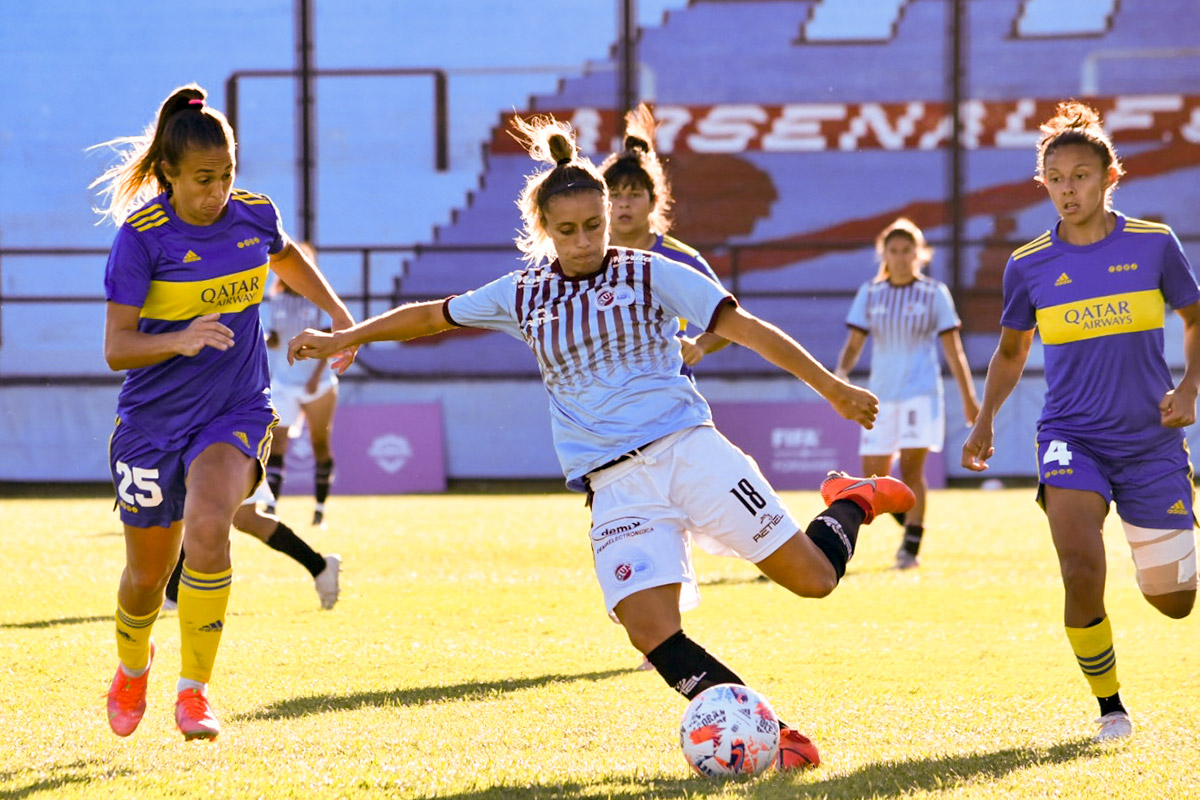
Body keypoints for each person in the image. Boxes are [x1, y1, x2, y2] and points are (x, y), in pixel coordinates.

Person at [288, 114, 914, 769]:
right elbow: (430, 316)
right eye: (567, 230)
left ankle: (852, 499)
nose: (584, 241)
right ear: (543, 231)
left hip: (690, 451)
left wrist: (831, 388)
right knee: (650, 631)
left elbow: (746, 327)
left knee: (814, 582)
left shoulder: (649, 273)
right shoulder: (524, 291)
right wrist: (345, 337)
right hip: (613, 485)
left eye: (595, 226)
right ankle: (772, 735)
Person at [92, 83, 355, 741]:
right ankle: (132, 669)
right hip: (151, 424)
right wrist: (178, 339)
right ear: (168, 176)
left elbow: (287, 256)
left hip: (234, 410)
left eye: (227, 175)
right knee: (144, 581)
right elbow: (116, 349)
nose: (217, 191)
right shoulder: (141, 238)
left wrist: (340, 316)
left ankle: (195, 692)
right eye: (204, 179)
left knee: (211, 527)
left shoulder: (253, 216)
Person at [962, 101, 1200, 743]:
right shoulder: (1028, 263)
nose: (1068, 189)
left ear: (1109, 176)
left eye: (1081, 176)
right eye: (1057, 178)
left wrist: (1190, 384)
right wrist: (985, 421)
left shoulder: (1155, 245)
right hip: (1072, 437)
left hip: (1152, 443)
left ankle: (1150, 536)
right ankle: (1111, 708)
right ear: (1045, 184)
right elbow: (1012, 352)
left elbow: (1196, 320)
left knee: (1174, 601)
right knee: (1078, 566)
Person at [834, 218, 979, 569]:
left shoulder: (934, 294)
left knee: (913, 470)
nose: (900, 258)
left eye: (907, 251)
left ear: (920, 254)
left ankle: (910, 548)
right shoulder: (870, 292)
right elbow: (855, 343)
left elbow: (953, 350)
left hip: (921, 394)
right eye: (893, 251)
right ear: (883, 254)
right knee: (874, 479)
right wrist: (840, 376)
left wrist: (969, 397)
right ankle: (911, 523)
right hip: (880, 397)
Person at [599, 103, 729, 372]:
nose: (624, 204)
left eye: (634, 195)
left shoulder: (683, 259)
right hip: (605, 402)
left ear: (653, 201)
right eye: (614, 195)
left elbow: (728, 324)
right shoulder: (587, 257)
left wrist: (699, 345)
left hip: (671, 399)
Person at [162, 481, 342, 612]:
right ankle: (319, 566)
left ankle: (174, 594)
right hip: (205, 444)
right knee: (243, 518)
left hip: (227, 445)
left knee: (231, 515)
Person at [260, 264, 340, 527]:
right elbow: (274, 337)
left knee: (320, 445)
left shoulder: (318, 301)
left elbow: (330, 338)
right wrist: (270, 339)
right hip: (284, 381)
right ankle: (271, 507)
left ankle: (319, 509)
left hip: (317, 385)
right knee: (277, 445)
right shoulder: (275, 300)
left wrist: (317, 375)